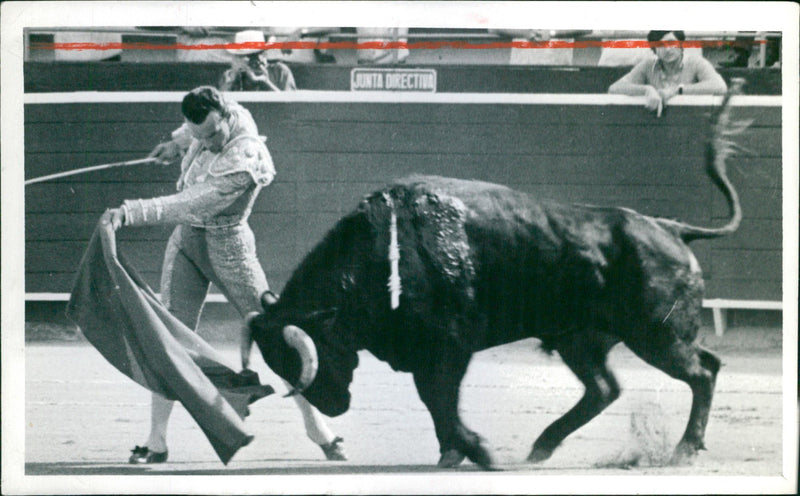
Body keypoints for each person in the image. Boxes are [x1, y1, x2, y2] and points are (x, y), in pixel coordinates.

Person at [107, 86, 346, 464]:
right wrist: (175, 142)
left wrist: (134, 211)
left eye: (213, 134)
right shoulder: (210, 122)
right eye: (201, 137)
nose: (209, 143)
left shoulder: (246, 153)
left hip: (229, 248)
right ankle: (156, 440)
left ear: (227, 116)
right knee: (168, 338)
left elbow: (194, 201)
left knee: (273, 335)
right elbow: (194, 134)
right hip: (186, 243)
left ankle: (319, 429)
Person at [608, 30, 728, 115]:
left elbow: (720, 87)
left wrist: (676, 90)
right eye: (660, 45)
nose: (667, 49)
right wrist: (647, 90)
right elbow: (614, 88)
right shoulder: (647, 65)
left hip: (692, 121)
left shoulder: (696, 62)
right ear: (654, 50)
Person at [219, 30, 297, 92]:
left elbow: (292, 105)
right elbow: (220, 104)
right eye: (249, 56)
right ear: (238, 58)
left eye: (260, 54)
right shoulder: (230, 76)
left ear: (265, 53)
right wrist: (233, 79)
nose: (256, 60)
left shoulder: (280, 71)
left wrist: (266, 82)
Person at [488, 29, 593, 65]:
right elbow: (493, 27)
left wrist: (553, 33)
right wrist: (524, 33)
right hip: (522, 66)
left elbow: (587, 27)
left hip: (558, 67)